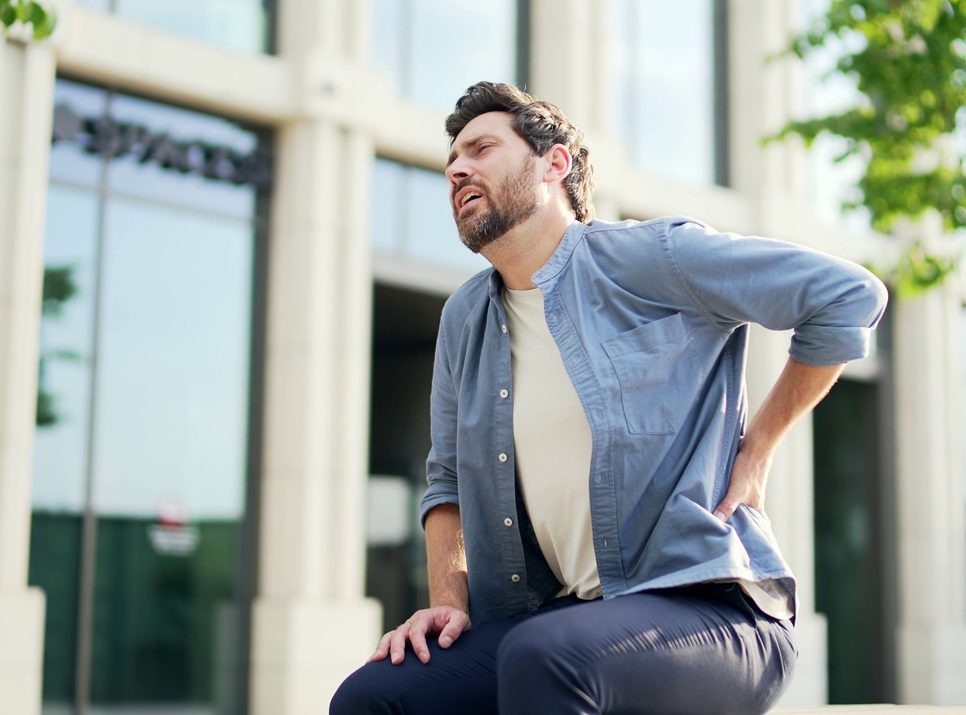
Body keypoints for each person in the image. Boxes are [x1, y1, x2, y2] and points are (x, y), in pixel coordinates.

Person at [331, 81, 887, 715]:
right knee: (375, 698)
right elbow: (447, 482)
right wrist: (448, 608)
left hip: (713, 610)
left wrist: (757, 447)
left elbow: (848, 297)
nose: (458, 168)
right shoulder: (467, 317)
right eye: (452, 161)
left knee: (545, 658)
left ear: (554, 163)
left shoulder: (651, 257)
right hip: (560, 620)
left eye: (481, 148)